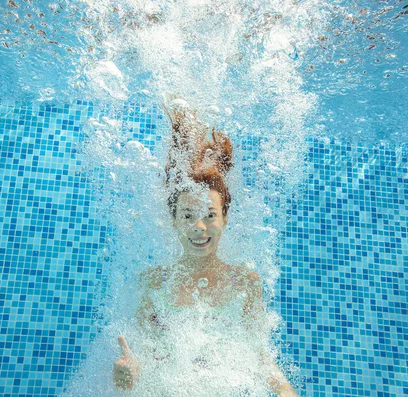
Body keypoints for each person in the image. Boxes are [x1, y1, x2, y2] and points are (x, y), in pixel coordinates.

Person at [112, 105, 300, 397]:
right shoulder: (153, 284)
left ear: (225, 218)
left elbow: (262, 361)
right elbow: (140, 362)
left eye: (210, 215)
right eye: (187, 215)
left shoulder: (246, 284)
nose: (199, 226)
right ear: (173, 221)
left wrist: (287, 392)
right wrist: (127, 373)